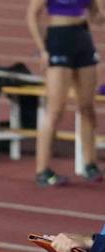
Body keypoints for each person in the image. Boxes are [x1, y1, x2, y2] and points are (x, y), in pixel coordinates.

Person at [27, 0, 102, 186]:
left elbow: (97, 17)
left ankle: (90, 163)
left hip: (82, 37)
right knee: (56, 109)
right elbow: (32, 14)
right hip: (58, 38)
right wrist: (42, 49)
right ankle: (42, 169)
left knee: (87, 106)